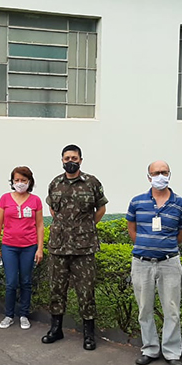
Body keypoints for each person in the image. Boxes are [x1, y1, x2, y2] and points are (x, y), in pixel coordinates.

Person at [126, 160, 182, 365]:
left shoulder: (180, 204)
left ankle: (172, 352)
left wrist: (164, 245)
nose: (160, 176)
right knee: (144, 308)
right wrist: (146, 245)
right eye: (156, 173)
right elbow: (132, 229)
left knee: (172, 309)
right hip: (142, 263)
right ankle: (150, 349)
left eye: (164, 172)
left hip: (169, 262)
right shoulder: (137, 202)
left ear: (170, 174)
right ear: (149, 177)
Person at [44, 144, 108, 349]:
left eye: (74, 158)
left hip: (84, 248)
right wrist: (65, 227)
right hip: (59, 247)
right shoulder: (55, 183)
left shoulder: (92, 182)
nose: (70, 161)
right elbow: (53, 210)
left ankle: (89, 334)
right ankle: (56, 329)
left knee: (86, 291)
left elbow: (101, 208)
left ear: (81, 160)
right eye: (66, 158)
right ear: (61, 160)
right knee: (56, 289)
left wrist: (85, 227)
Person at [0, 166, 44, 331]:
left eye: (23, 180)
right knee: (11, 282)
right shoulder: (5, 199)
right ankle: (9, 315)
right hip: (9, 247)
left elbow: (40, 225)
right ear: (12, 181)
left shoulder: (35, 200)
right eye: (17, 180)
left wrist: (40, 248)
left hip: (29, 247)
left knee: (26, 281)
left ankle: (23, 314)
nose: (20, 183)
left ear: (29, 182)